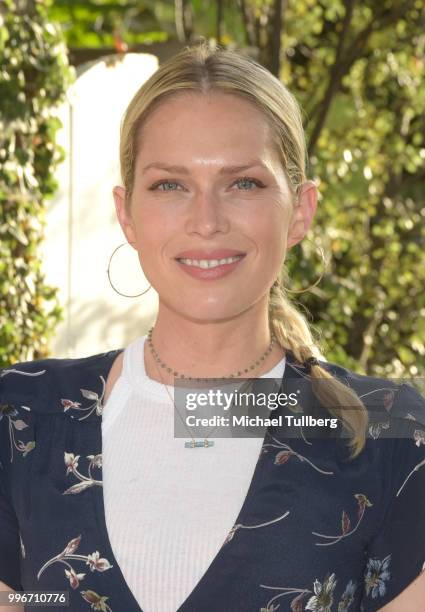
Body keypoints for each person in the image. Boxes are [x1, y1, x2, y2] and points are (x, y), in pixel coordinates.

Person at [1, 41, 424, 612]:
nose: (206, 221)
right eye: (170, 185)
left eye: (243, 183)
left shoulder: (390, 436)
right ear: (127, 213)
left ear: (300, 209)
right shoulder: (22, 420)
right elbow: (33, 599)